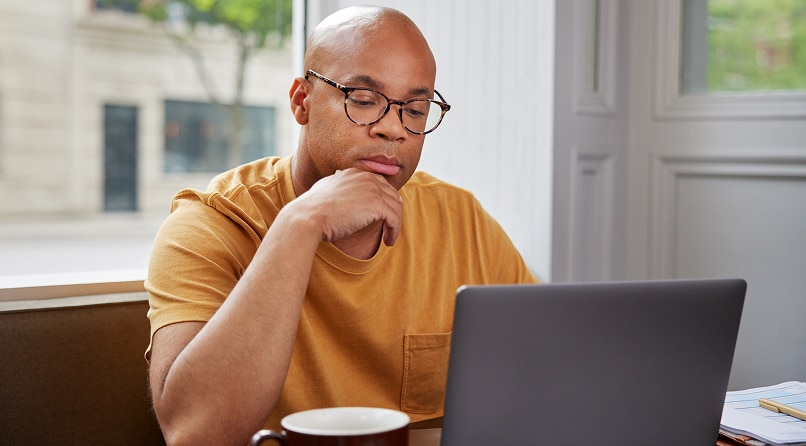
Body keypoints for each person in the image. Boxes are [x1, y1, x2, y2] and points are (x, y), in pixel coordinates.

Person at [145, 5, 539, 446]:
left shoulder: (461, 221)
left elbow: (551, 368)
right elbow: (193, 434)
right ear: (302, 102)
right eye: (364, 100)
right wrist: (300, 223)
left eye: (416, 108)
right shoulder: (210, 226)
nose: (393, 128)